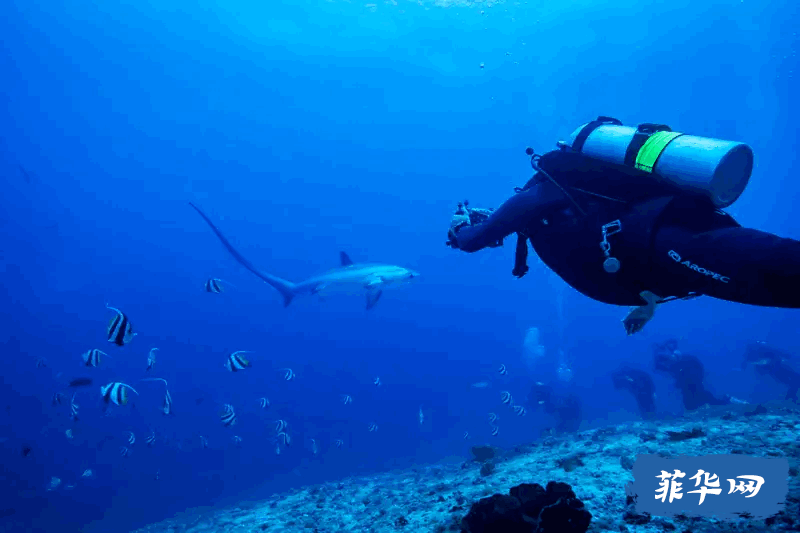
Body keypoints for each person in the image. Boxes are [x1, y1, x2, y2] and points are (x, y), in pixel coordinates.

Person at [446, 117, 800, 335]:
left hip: (668, 243)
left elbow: (476, 239)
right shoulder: (577, 194)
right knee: (780, 285)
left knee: (783, 271)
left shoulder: (544, 186)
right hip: (672, 253)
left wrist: (461, 228)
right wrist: (649, 303)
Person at [652, 339, 731, 411]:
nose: (667, 364)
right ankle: (724, 401)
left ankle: (726, 401)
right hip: (690, 380)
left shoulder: (682, 362)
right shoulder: (674, 365)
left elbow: (689, 375)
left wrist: (664, 345)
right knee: (692, 402)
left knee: (700, 397)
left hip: (693, 379)